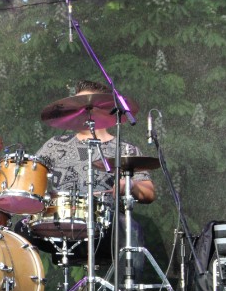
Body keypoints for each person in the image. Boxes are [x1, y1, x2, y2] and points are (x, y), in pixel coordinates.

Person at [32, 79, 155, 278]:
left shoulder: (125, 150)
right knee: (20, 230)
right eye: (76, 105)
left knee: (132, 229)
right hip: (60, 220)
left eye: (85, 105)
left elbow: (149, 193)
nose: (79, 110)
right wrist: (0, 165)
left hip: (106, 223)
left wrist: (129, 184)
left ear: (102, 108)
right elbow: (30, 173)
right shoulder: (55, 145)